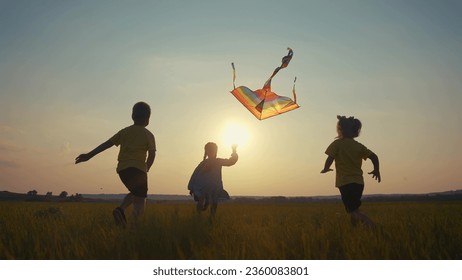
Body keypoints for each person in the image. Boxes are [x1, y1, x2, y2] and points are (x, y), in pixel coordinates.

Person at [75, 102, 156, 228]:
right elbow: (152, 154)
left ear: (132, 116)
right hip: (139, 169)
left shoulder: (124, 132)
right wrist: (147, 168)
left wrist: (89, 155)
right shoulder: (148, 134)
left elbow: (106, 144)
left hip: (122, 170)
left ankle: (121, 209)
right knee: (140, 201)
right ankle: (134, 229)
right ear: (148, 118)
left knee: (136, 192)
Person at [321, 115, 381, 227]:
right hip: (358, 183)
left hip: (345, 183)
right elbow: (374, 156)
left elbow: (330, 158)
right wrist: (376, 170)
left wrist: (325, 168)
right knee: (354, 208)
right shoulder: (359, 146)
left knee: (352, 210)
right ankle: (354, 229)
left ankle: (372, 225)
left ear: (340, 130)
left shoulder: (337, 144)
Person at [188, 142, 238, 217]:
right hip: (206, 186)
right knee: (209, 201)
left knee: (212, 202)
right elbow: (195, 175)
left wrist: (234, 151)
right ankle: (202, 216)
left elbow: (230, 162)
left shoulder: (213, 162)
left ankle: (207, 216)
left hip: (212, 186)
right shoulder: (205, 163)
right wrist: (191, 187)